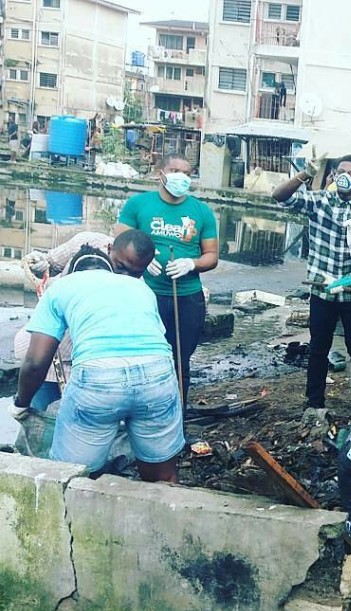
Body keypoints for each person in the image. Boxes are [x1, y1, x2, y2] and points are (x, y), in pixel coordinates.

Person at [8, 232, 183, 483]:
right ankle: (167, 504)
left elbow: (36, 363)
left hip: (98, 379)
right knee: (162, 476)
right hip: (159, 376)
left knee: (72, 476)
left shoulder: (60, 288)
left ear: (71, 271)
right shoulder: (141, 288)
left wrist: (20, 405)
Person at [272, 149, 351, 415]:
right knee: (318, 348)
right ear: (333, 175)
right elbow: (279, 196)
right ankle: (314, 403)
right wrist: (305, 174)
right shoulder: (318, 201)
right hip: (322, 290)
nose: (345, 177)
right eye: (341, 172)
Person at [116, 153, 218, 408]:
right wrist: (142, 261)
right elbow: (118, 246)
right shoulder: (138, 205)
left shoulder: (202, 212)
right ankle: (140, 409)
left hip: (187, 297)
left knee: (180, 359)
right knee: (141, 355)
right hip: (145, 295)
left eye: (186, 173)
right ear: (160, 173)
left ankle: (177, 412)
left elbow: (212, 256)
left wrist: (191, 263)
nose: (181, 177)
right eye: (174, 171)